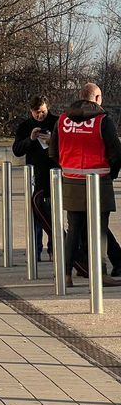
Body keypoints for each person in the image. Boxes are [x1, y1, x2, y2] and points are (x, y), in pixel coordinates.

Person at [49, 82, 121, 287]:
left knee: (73, 230)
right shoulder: (102, 120)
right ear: (97, 98)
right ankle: (100, 274)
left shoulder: (62, 120)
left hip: (71, 180)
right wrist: (111, 172)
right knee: (99, 231)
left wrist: (68, 167)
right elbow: (116, 152)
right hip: (99, 180)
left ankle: (66, 275)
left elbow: (53, 152)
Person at [12, 95, 58, 260]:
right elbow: (17, 150)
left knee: (54, 213)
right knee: (37, 213)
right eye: (37, 112)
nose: (40, 116)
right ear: (31, 111)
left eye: (43, 112)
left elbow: (68, 147)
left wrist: (53, 141)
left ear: (48, 107)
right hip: (35, 174)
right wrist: (30, 139)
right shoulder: (25, 126)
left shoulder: (56, 122)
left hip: (54, 172)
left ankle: (54, 249)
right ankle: (36, 250)